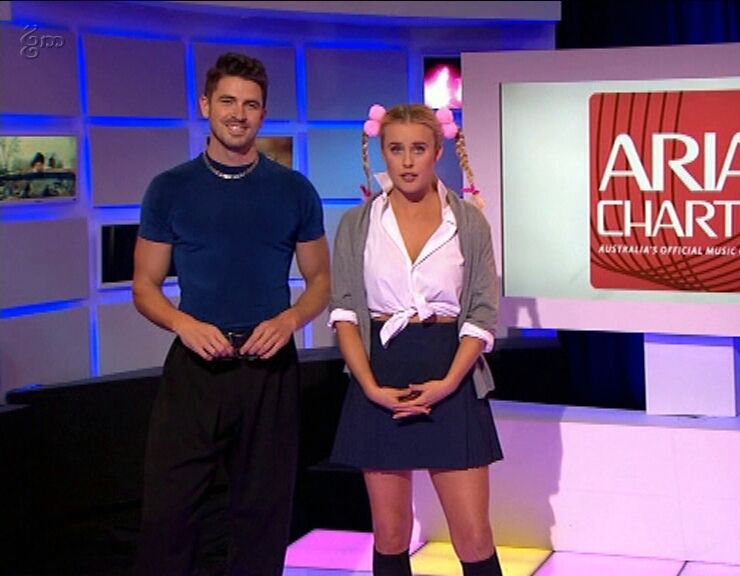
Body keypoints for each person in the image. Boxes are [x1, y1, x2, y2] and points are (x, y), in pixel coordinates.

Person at [132, 52, 330, 575]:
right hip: (195, 370)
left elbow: (320, 282)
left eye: (251, 104)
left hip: (270, 371)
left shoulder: (294, 190)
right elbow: (145, 287)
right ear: (205, 105)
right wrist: (184, 324)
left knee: (262, 518)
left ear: (263, 112)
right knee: (169, 518)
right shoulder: (169, 188)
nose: (238, 114)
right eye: (227, 101)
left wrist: (289, 321)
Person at [328, 103, 503, 576]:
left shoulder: (467, 221)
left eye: (419, 149)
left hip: (452, 373)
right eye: (396, 149)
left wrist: (448, 384)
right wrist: (369, 387)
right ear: (382, 152)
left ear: (438, 152)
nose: (407, 162)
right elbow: (345, 312)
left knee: (473, 536)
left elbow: (482, 313)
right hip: (380, 372)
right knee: (389, 532)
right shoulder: (358, 224)